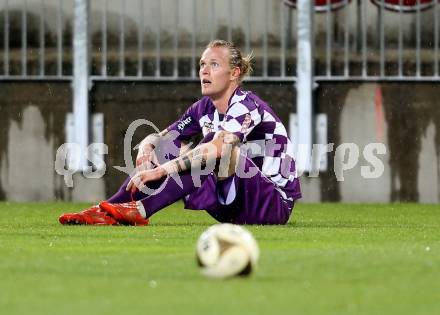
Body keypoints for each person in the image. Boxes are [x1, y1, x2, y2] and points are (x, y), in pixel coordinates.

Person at [59, 39, 301, 226]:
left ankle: (142, 210)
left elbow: (218, 148)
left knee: (216, 147)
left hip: (273, 204)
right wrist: (147, 147)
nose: (204, 71)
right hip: (230, 204)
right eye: (202, 65)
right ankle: (105, 211)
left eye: (214, 65)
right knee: (169, 148)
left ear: (235, 73)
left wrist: (161, 170)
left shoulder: (247, 105)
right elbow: (164, 139)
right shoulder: (202, 108)